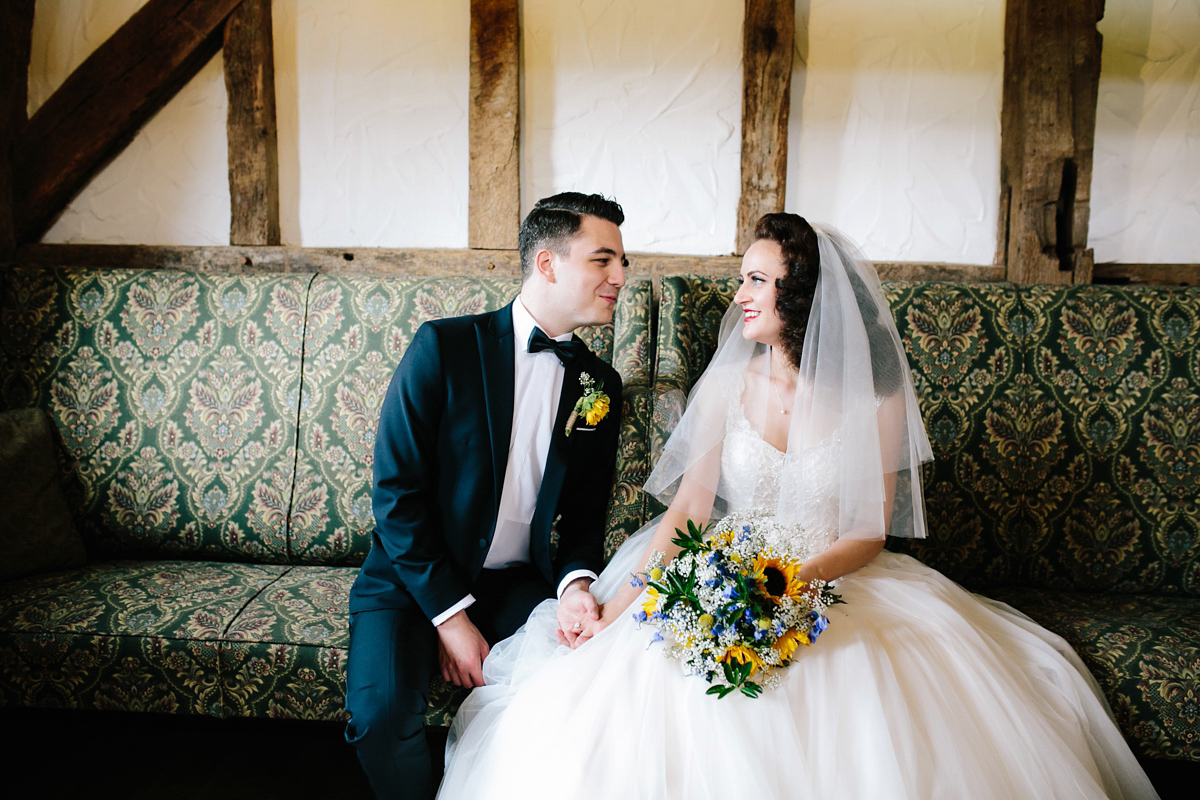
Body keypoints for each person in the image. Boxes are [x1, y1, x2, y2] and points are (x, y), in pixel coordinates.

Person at [436, 213, 1161, 799]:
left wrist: (790, 583)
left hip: (833, 578)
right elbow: (689, 511)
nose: (741, 295)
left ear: (801, 293)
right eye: (742, 279)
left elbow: (868, 531)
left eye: (757, 279)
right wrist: (619, 606)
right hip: (719, 569)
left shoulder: (871, 400)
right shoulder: (726, 386)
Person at [344, 192, 628, 800]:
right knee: (380, 718)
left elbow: (583, 520)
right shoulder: (443, 349)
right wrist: (452, 619)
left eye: (621, 263)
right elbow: (396, 496)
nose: (620, 278)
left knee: (575, 694)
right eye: (603, 260)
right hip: (410, 576)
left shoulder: (599, 386)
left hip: (517, 583)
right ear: (547, 264)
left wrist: (576, 585)